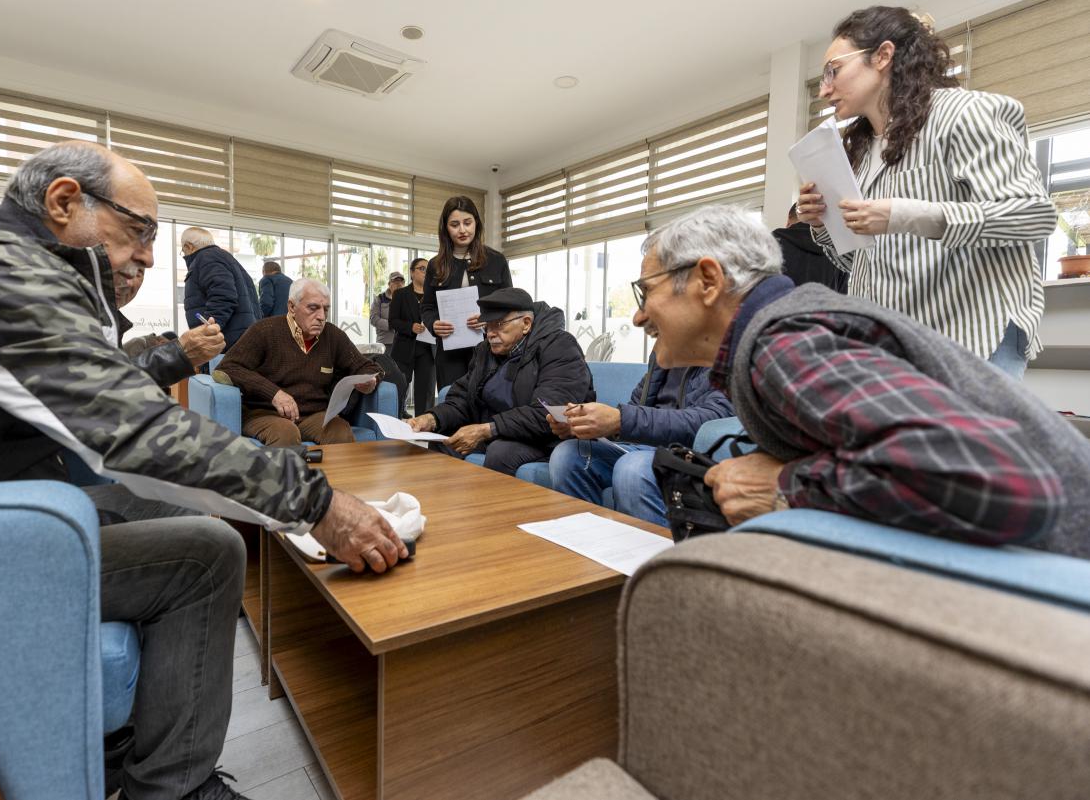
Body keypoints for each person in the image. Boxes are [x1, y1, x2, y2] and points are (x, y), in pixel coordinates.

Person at [0, 141, 407, 800]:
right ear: (62, 201)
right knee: (211, 550)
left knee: (179, 510)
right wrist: (321, 505)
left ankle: (135, 740)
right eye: (139, 231)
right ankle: (175, 787)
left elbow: (103, 410)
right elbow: (135, 431)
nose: (146, 255)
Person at [631, 204, 1088, 558]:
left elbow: (1002, 481)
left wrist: (787, 485)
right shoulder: (782, 333)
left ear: (707, 280)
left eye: (646, 291)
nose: (637, 316)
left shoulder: (784, 341)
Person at [796, 5, 1056, 378]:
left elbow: (1033, 214)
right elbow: (867, 264)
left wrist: (903, 214)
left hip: (972, 337)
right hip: (894, 346)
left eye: (832, 70)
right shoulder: (861, 149)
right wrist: (825, 223)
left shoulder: (966, 113)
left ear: (883, 55)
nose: (823, 89)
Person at [406, 288, 594, 476]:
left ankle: (497, 505)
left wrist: (488, 429)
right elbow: (464, 396)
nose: (490, 334)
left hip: (545, 437)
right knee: (444, 441)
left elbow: (547, 411)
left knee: (501, 452)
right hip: (499, 431)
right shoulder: (485, 350)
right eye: (487, 326)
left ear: (526, 324)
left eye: (499, 325)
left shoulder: (559, 347)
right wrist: (431, 419)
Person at [546, 356, 734, 526]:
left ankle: (649, 562)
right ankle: (586, 546)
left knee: (633, 468)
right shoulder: (663, 356)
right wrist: (587, 425)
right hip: (644, 447)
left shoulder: (724, 353)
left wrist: (621, 420)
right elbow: (634, 412)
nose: (640, 320)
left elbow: (713, 420)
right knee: (568, 455)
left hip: (685, 454)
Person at [216, 278, 382, 447]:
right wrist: (274, 393)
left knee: (339, 431)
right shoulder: (264, 330)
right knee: (286, 433)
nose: (321, 317)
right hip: (264, 414)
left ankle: (332, 475)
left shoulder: (333, 336)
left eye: (326, 309)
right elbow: (228, 367)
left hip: (313, 416)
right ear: (292, 307)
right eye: (313, 308)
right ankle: (288, 475)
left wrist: (369, 381)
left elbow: (369, 367)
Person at [420, 196, 512, 389]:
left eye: (467, 223)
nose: (462, 230)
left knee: (487, 403)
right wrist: (433, 323)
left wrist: (488, 318)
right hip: (449, 355)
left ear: (476, 224)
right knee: (452, 404)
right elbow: (427, 307)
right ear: (445, 228)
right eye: (454, 224)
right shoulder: (435, 265)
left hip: (490, 350)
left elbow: (509, 306)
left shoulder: (496, 261)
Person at [116, 264, 225, 386]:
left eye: (139, 273)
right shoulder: (136, 343)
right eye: (123, 268)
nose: (150, 259)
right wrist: (180, 353)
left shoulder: (112, 324)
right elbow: (110, 383)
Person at [181, 227, 258, 351]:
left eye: (183, 250)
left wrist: (207, 332)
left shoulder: (206, 258)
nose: (184, 255)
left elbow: (223, 296)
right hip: (243, 341)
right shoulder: (227, 259)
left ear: (189, 246)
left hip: (225, 345)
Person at [390, 257, 436, 415]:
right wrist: (410, 327)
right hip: (404, 348)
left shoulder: (434, 295)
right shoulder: (400, 294)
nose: (425, 272)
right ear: (411, 272)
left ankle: (424, 426)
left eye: (428, 269)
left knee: (426, 391)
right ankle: (394, 423)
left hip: (428, 350)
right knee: (399, 387)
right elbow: (393, 321)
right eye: (422, 268)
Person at [774, 203, 848, 292]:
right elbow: (841, 295)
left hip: (779, 305)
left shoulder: (771, 241)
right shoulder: (839, 249)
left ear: (789, 218)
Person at [369, 270, 404, 355]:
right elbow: (373, 319)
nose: (399, 284)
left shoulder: (408, 299)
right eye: (395, 281)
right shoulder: (380, 299)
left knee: (401, 368)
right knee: (385, 367)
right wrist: (391, 324)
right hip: (385, 343)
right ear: (389, 284)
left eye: (401, 281)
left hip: (403, 342)